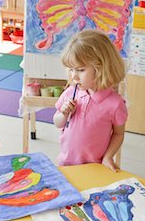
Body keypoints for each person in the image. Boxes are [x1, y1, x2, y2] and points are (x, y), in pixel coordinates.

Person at [53, 29, 127, 171]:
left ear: (101, 68)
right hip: (65, 164)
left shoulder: (115, 104)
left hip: (95, 168)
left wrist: (108, 157)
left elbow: (118, 134)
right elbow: (57, 123)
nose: (74, 76)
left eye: (80, 70)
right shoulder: (70, 93)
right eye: (71, 70)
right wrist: (63, 114)